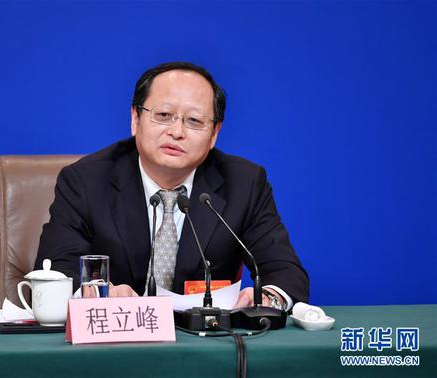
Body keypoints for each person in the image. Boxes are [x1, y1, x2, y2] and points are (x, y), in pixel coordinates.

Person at [35, 62, 309, 311]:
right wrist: (99, 294)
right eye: (164, 114)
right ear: (135, 118)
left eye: (194, 121)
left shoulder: (245, 184)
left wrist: (268, 297)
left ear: (214, 133)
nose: (177, 131)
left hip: (205, 349)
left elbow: (286, 272)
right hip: (112, 344)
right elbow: (58, 270)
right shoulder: (85, 181)